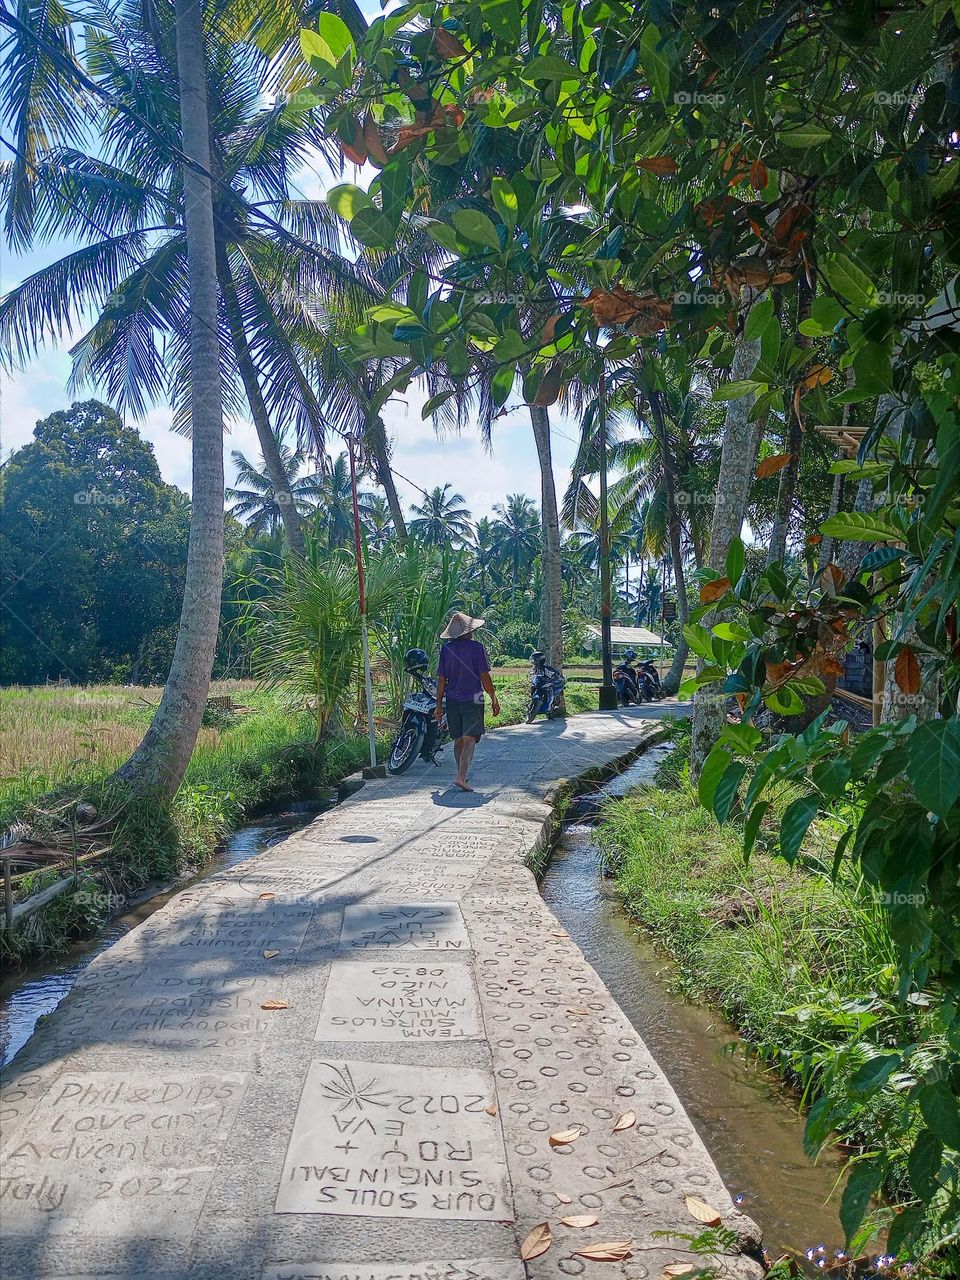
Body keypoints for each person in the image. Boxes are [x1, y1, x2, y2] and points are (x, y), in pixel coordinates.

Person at [434, 611, 500, 792]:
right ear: (469, 631)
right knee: (470, 738)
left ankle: (460, 773)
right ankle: (461, 776)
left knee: (458, 739)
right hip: (474, 697)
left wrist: (438, 705)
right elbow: (484, 676)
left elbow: (441, 680)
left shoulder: (446, 649)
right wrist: (493, 697)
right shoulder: (476, 648)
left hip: (452, 698)